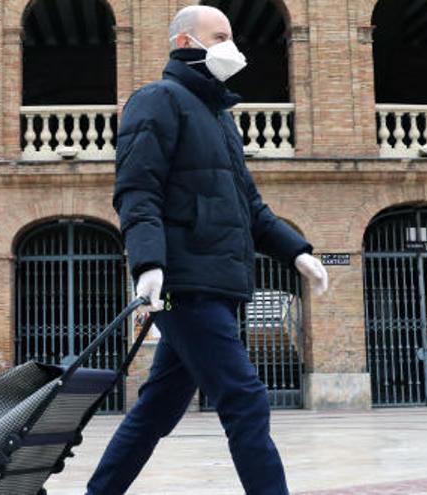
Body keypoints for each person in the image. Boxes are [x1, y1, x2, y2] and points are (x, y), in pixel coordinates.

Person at [86, 5, 330, 494]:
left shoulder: (220, 118)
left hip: (216, 283)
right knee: (245, 398)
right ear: (184, 44)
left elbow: (251, 207)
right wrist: (149, 263)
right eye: (219, 37)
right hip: (185, 285)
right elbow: (138, 189)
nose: (230, 48)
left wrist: (297, 252)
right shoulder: (157, 100)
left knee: (157, 408)